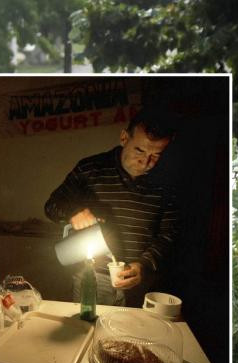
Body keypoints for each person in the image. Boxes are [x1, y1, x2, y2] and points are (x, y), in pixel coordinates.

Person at [44, 110, 180, 306]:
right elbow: (52, 206)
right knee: (89, 331)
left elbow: (169, 234)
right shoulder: (90, 169)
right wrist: (74, 212)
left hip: (142, 281)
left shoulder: (167, 181)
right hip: (93, 278)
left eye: (156, 155)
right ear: (124, 138)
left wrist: (143, 266)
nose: (145, 162)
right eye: (139, 151)